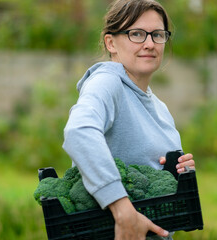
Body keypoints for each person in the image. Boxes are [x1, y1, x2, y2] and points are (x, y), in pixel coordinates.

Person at [63, 0, 195, 239]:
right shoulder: (107, 82)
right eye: (136, 34)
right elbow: (78, 131)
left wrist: (178, 171)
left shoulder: (159, 106)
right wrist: (120, 206)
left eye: (157, 34)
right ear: (111, 42)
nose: (149, 43)